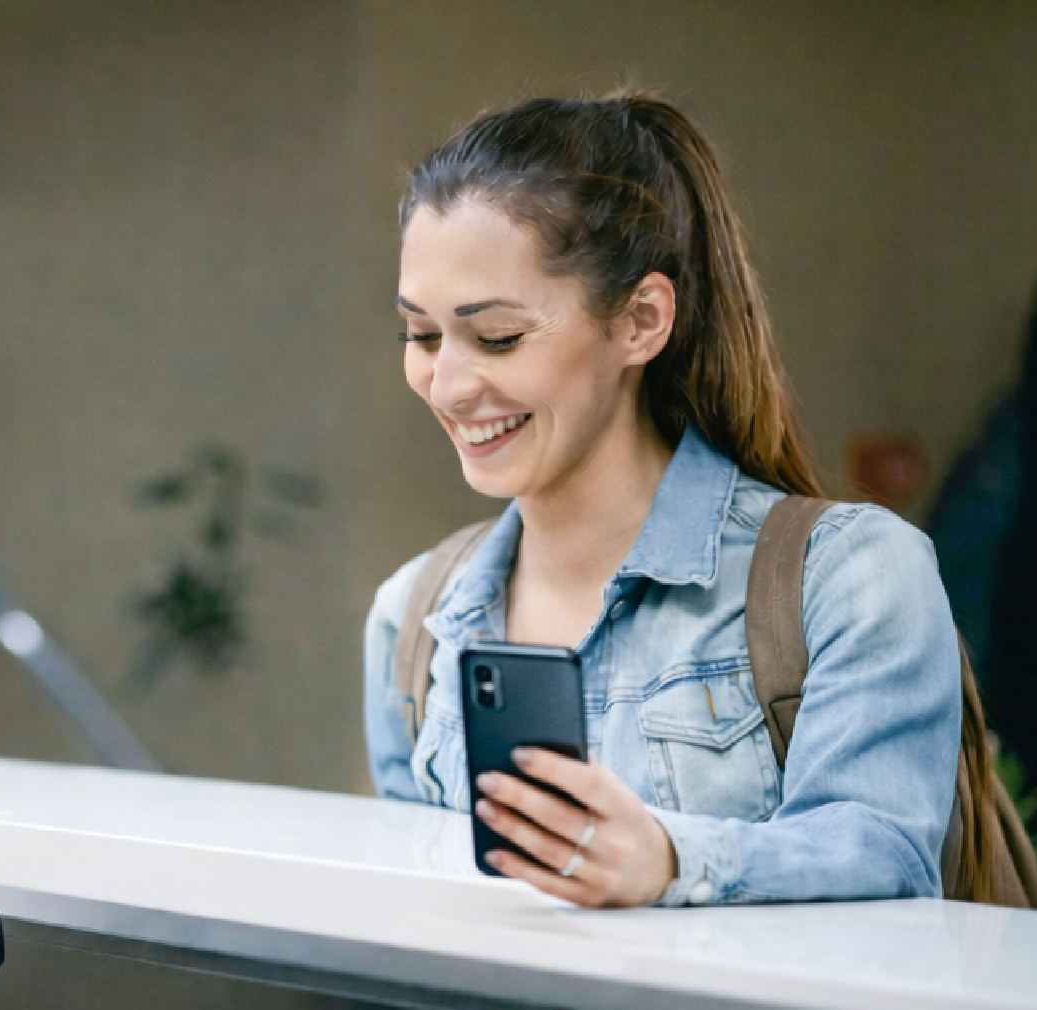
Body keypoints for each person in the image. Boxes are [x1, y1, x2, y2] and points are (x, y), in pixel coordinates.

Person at [363, 92, 964, 908]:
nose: (450, 383)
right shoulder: (413, 620)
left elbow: (887, 854)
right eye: (422, 335)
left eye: (497, 336)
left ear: (642, 320)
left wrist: (673, 860)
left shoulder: (850, 575)